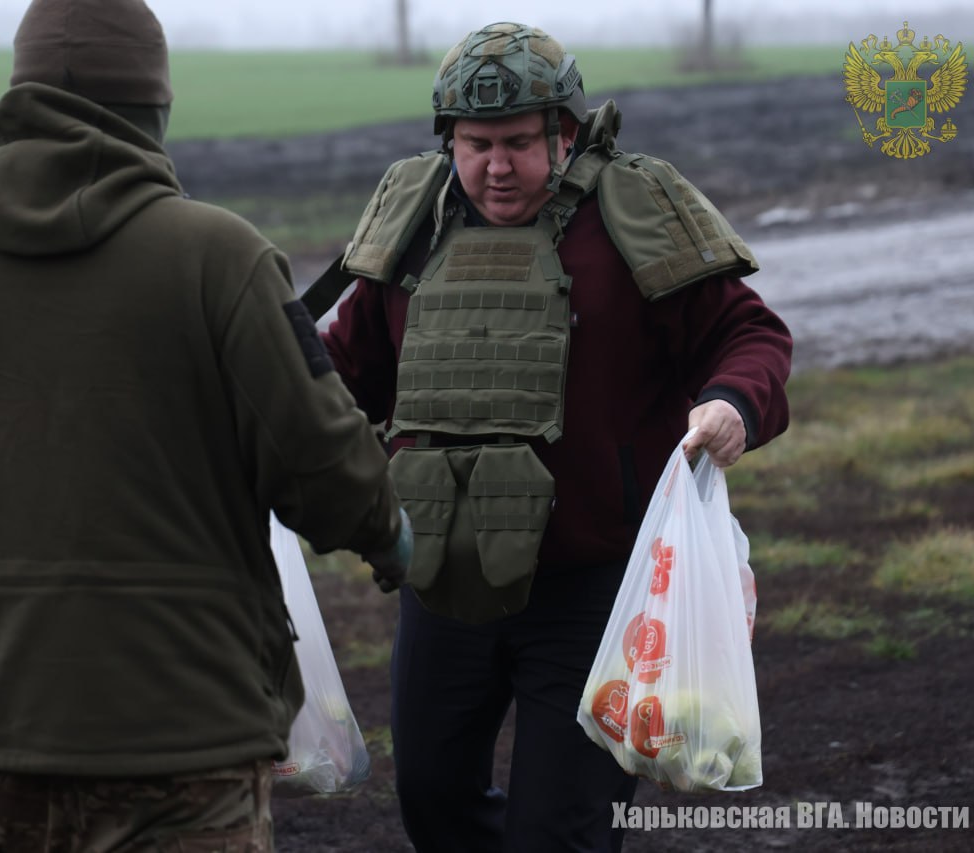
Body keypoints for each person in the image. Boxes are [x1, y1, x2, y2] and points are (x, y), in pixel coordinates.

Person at [0, 1, 411, 851]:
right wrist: (390, 535)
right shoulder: (221, 256)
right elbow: (325, 467)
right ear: (154, 109)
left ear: (17, 94)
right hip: (188, 737)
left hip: (0, 724)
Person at [318, 22, 793, 853]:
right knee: (431, 799)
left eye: (516, 144)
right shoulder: (414, 228)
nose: (495, 167)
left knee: (560, 831)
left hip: (592, 593)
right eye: (474, 144)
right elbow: (341, 370)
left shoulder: (630, 217)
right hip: (443, 578)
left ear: (564, 133)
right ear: (448, 140)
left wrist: (731, 406)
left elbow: (749, 336)